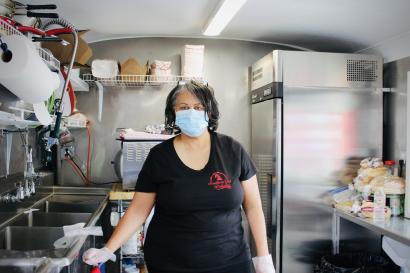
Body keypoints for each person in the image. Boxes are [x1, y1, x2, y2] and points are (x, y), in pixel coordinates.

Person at [83, 81, 275, 273]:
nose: (192, 112)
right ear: (173, 113)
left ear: (209, 112)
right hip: (170, 263)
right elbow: (138, 211)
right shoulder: (160, 156)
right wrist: (109, 249)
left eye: (199, 107)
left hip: (231, 262)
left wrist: (263, 257)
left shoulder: (232, 150)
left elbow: (253, 207)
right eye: (184, 107)